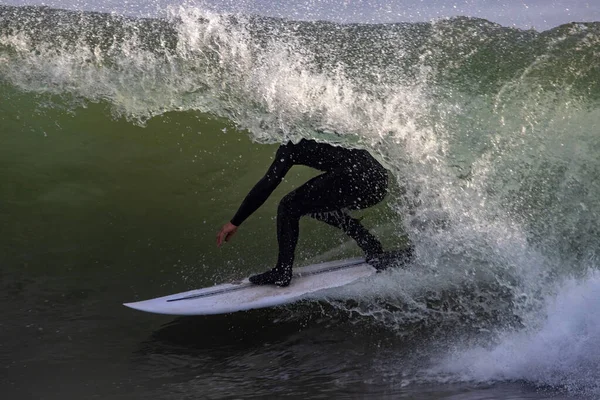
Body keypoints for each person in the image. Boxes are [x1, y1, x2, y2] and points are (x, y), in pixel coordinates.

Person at [217, 138, 411, 287]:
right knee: (315, 204)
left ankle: (282, 272)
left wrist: (235, 221)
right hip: (377, 181)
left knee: (288, 206)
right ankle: (370, 245)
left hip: (354, 177)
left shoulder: (289, 143)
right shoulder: (315, 127)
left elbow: (268, 184)